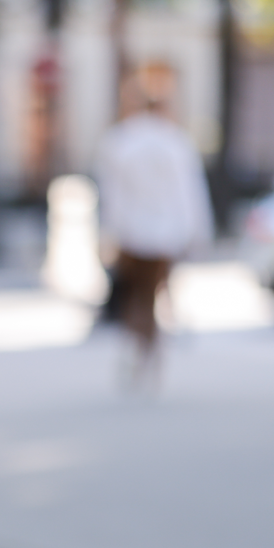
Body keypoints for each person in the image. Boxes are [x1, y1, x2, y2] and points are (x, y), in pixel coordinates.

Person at [93, 77, 213, 390]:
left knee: (136, 296)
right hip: (165, 234)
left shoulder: (120, 142)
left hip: (132, 234)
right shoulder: (175, 142)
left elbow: (112, 196)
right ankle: (151, 355)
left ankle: (138, 351)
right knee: (153, 294)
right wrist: (196, 234)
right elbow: (189, 194)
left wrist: (109, 233)